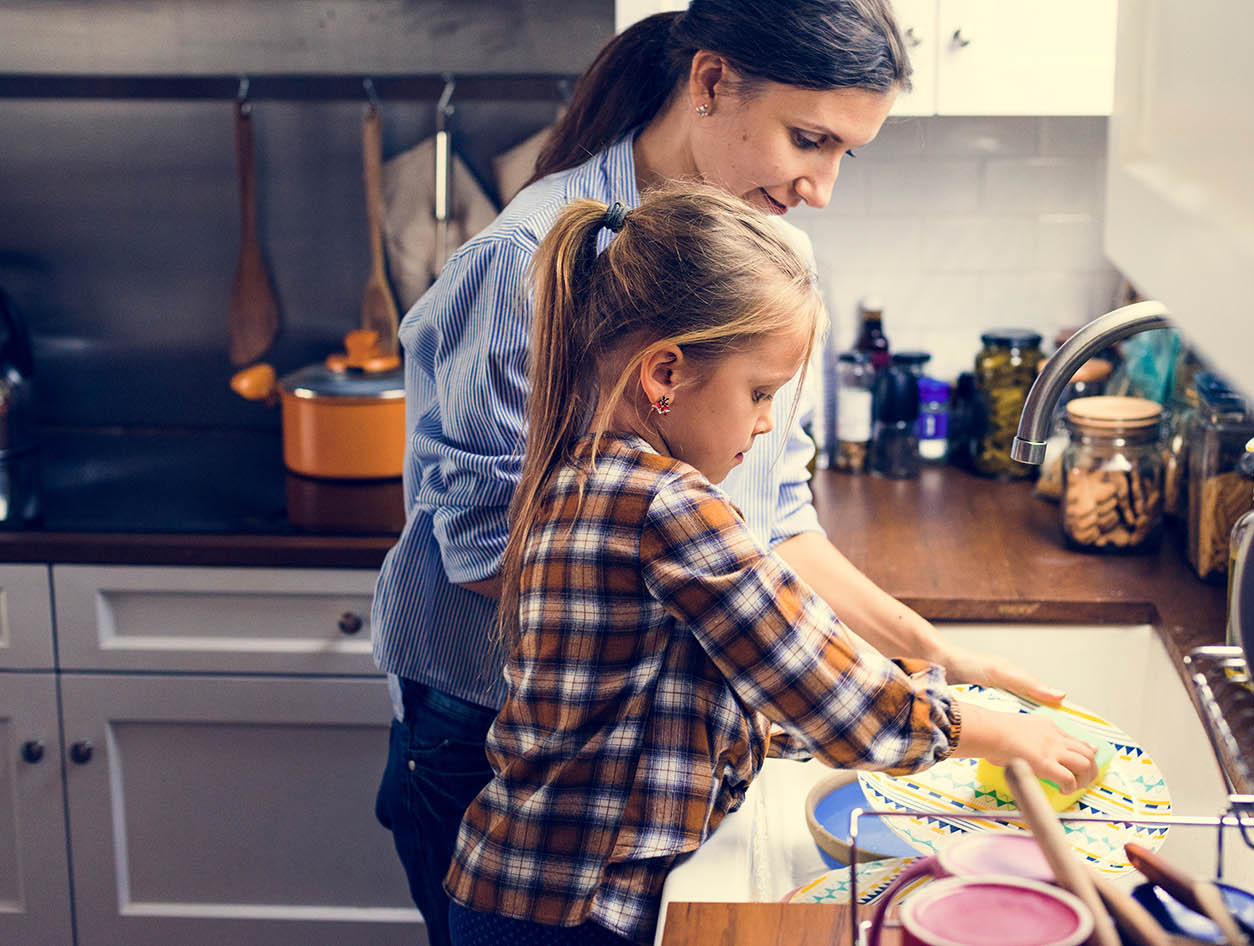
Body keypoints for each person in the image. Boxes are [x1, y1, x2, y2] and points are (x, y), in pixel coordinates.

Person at [372, 3, 1067, 943]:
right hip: (497, 748)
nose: (819, 187)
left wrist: (926, 651)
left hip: (650, 758)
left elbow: (775, 520)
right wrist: (787, 667)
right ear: (708, 83)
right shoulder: (522, 261)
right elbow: (492, 552)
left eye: (844, 155)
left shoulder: (769, 259)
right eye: (807, 139)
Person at [441, 186, 1099, 945]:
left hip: (524, 890)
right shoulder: (666, 505)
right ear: (664, 376)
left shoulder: (583, 472)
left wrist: (921, 695)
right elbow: (823, 687)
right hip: (569, 912)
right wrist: (995, 733)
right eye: (759, 393)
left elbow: (701, 705)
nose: (763, 423)